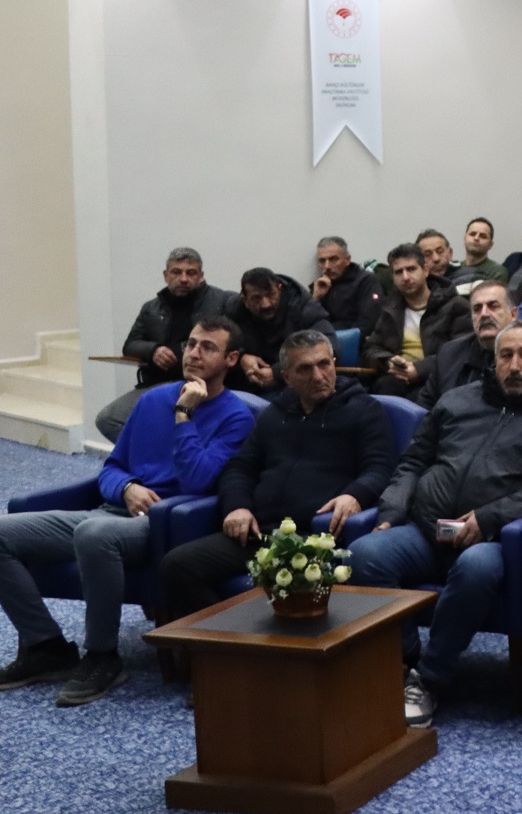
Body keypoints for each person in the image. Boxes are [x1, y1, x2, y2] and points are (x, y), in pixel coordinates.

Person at [353, 321, 522, 728]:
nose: (514, 365)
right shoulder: (457, 400)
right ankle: (405, 660)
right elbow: (414, 461)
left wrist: (491, 516)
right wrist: (391, 512)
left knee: (476, 567)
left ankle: (429, 679)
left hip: (497, 538)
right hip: (428, 529)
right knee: (365, 555)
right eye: (505, 355)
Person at [0, 319, 254, 703]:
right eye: (191, 344)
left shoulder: (236, 416)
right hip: (111, 513)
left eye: (208, 347)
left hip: (165, 525)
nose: (194, 354)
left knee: (93, 535)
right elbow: (112, 468)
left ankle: (103, 656)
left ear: (231, 359)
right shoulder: (152, 400)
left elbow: (199, 480)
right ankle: (45, 646)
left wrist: (184, 415)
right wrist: (127, 487)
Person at [157, 331, 394, 623]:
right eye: (304, 369)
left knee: (290, 584)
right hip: (260, 533)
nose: (318, 375)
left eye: (324, 364)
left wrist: (355, 494)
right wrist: (237, 506)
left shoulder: (363, 410)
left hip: (311, 539)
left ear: (334, 363)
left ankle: (244, 642)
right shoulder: (276, 413)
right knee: (177, 566)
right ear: (287, 377)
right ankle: (229, 639)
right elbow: (239, 467)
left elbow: (381, 468)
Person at [96, 247, 238, 441]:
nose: (184, 279)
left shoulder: (223, 302)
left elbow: (239, 341)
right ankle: (158, 451)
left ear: (201, 276)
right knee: (108, 420)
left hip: (208, 385)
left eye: (191, 273)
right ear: (166, 275)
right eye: (176, 272)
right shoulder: (151, 308)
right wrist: (153, 350)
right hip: (159, 385)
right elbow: (130, 345)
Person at [363, 243, 469, 399]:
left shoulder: (456, 306)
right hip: (397, 378)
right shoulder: (390, 309)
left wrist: (419, 369)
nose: (405, 277)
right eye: (399, 272)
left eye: (411, 269)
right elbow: (371, 349)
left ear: (425, 270)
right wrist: (388, 361)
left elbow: (460, 352)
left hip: (438, 379)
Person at [418, 280, 522, 407]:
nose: (484, 314)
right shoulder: (449, 353)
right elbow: (426, 405)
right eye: (477, 309)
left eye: (493, 306)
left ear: (513, 314)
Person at [226, 266, 333, 397]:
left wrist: (277, 373)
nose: (266, 304)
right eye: (256, 298)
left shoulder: (304, 307)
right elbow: (220, 349)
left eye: (271, 295)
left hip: (299, 388)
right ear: (245, 300)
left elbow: (330, 346)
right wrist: (241, 358)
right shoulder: (234, 312)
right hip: (250, 389)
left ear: (279, 288)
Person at [311, 236, 384, 332]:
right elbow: (308, 322)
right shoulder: (320, 285)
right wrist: (315, 298)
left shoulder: (365, 281)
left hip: (353, 338)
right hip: (324, 337)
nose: (327, 266)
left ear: (347, 260)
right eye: (322, 261)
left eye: (333, 259)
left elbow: (368, 322)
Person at [448, 217, 507, 293]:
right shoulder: (454, 268)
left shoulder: (497, 272)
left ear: (490, 244)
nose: (476, 238)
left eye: (483, 236)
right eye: (472, 234)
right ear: (464, 238)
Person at [415, 229, 456, 295]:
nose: (436, 259)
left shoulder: (468, 278)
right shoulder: (414, 288)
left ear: (450, 253)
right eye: (427, 254)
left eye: (440, 251)